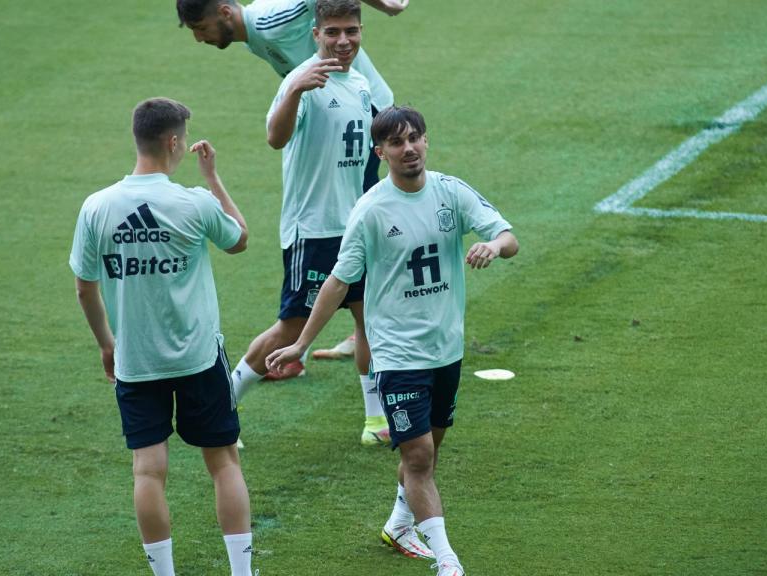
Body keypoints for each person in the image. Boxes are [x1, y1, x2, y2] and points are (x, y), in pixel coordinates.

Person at [267, 105, 519, 575]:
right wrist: (301, 344)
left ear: (426, 140)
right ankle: (447, 561)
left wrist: (493, 245)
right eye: (397, 142)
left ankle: (400, 524)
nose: (409, 149)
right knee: (418, 456)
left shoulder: (450, 192)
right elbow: (338, 282)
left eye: (415, 138)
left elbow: (508, 237)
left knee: (429, 451)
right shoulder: (371, 210)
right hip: (397, 353)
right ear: (379, 152)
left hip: (446, 348)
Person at [69, 98, 255, 576]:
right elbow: (239, 239)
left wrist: (107, 345)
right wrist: (213, 178)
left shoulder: (97, 207)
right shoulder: (193, 202)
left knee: (148, 470)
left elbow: (85, 287)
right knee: (224, 463)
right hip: (198, 357)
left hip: (135, 360)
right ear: (174, 142)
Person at [176, 0, 409, 373]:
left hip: (363, 110)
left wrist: (387, 6)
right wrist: (296, 92)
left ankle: (352, 324)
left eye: (200, 27)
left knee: (356, 228)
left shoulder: (270, 22)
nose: (199, 38)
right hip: (327, 108)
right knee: (352, 242)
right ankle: (343, 327)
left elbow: (326, 6)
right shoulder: (259, 38)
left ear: (224, 12)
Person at [227, 0, 391, 447]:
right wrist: (295, 90)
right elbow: (275, 137)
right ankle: (222, 402)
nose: (343, 41)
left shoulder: (361, 85)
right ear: (315, 35)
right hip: (314, 230)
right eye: (333, 32)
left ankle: (375, 420)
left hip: (353, 226)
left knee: (369, 318)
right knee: (292, 328)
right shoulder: (301, 80)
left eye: (352, 31)